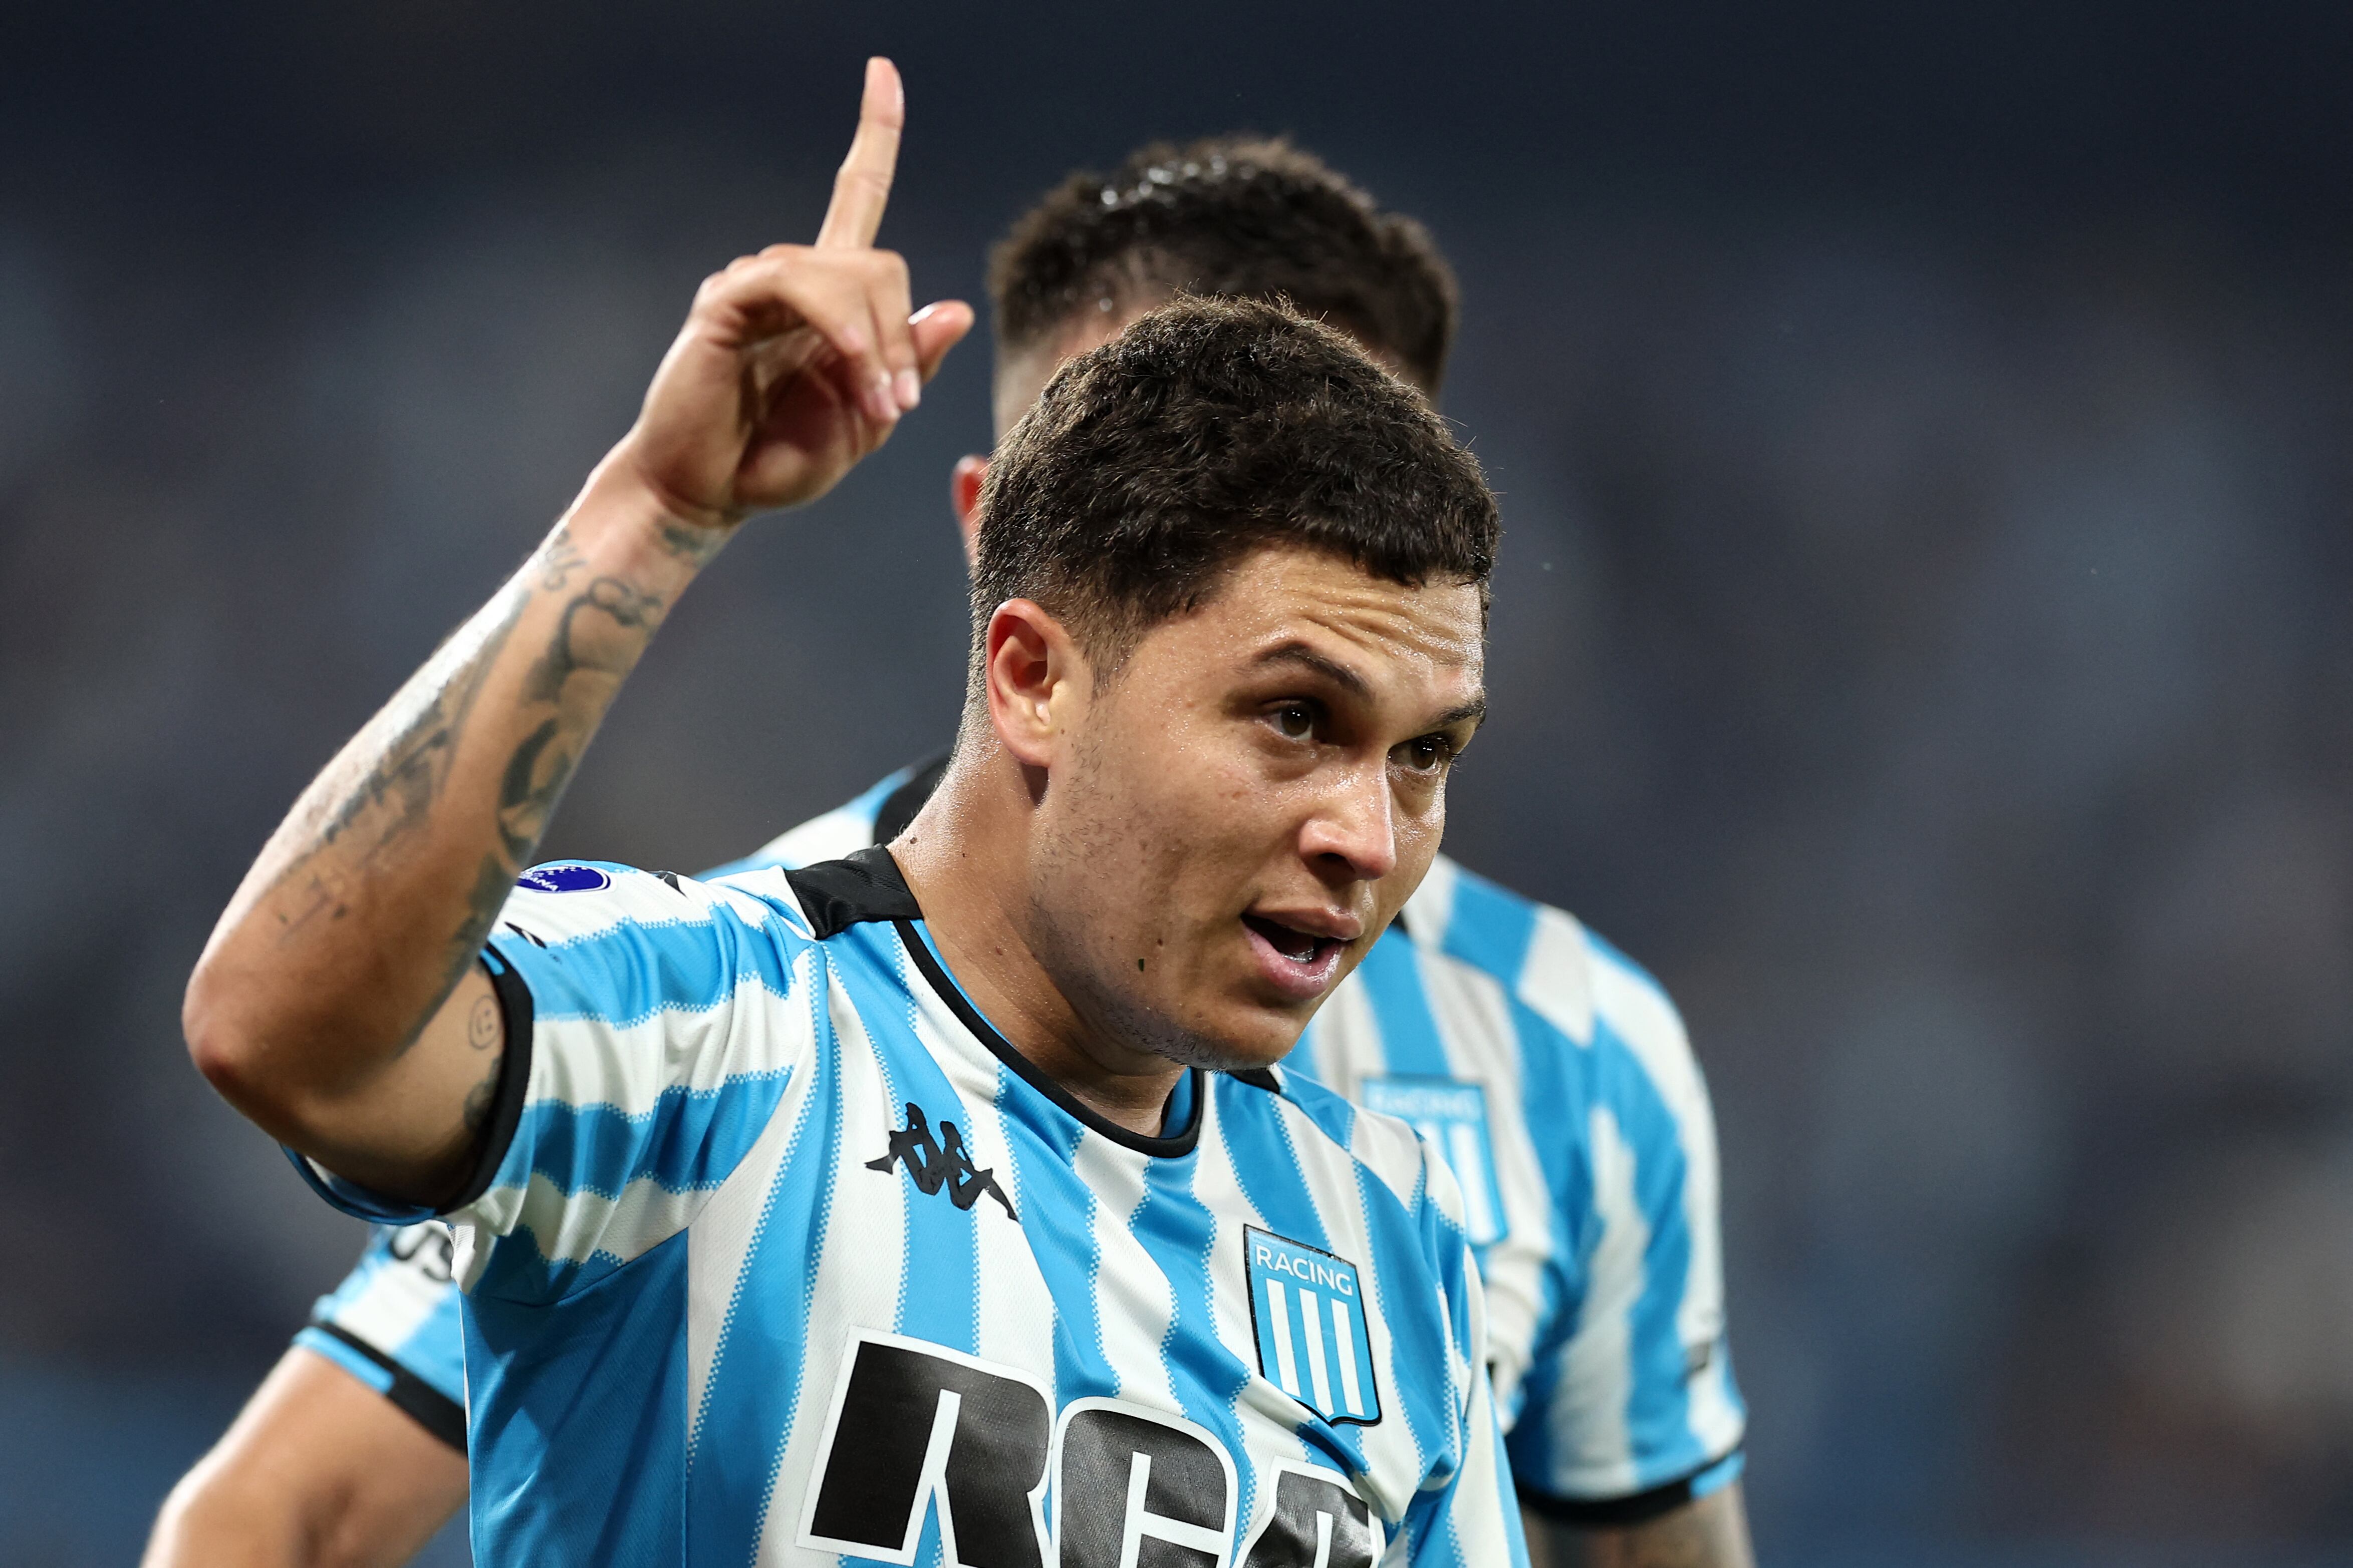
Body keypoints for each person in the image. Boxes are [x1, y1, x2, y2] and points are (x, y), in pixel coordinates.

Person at [149, 123, 1752, 1568]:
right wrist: (646, 514)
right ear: (1034, 666)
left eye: (1423, 756)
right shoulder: (715, 1027)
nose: (1363, 834)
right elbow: (287, 1039)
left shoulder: (1393, 1222)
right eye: (1289, 718)